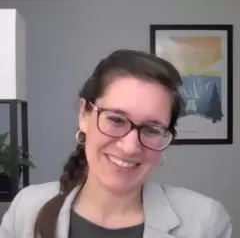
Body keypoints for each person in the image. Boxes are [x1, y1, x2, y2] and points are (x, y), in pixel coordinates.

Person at [0, 49, 232, 238]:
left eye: (151, 129)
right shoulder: (26, 210)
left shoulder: (205, 223)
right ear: (84, 114)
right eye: (116, 119)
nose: (130, 147)